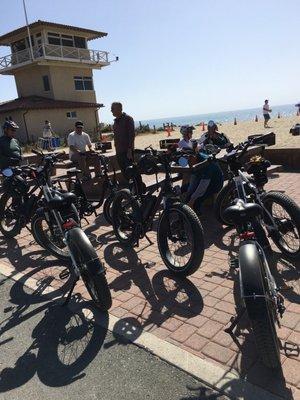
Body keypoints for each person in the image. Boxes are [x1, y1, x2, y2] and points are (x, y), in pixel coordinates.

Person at [111, 102, 135, 179]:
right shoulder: (115, 121)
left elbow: (131, 135)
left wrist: (129, 150)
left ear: (119, 109)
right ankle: (131, 189)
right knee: (124, 173)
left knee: (132, 172)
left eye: (112, 108)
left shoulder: (128, 119)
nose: (111, 110)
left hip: (127, 151)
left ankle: (139, 188)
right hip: (119, 151)